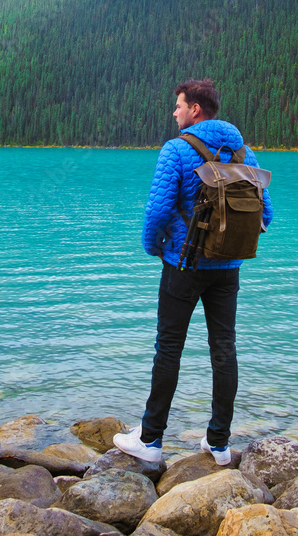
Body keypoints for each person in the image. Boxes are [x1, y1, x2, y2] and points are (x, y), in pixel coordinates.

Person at [113, 78, 273, 465]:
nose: (175, 112)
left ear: (195, 110)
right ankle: (218, 444)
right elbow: (266, 214)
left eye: (179, 105)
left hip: (183, 265)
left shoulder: (177, 150)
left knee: (168, 349)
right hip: (229, 268)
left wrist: (155, 249)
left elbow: (157, 213)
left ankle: (150, 440)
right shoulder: (243, 151)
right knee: (224, 349)